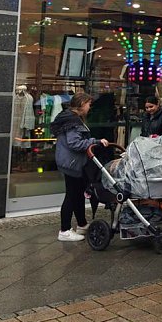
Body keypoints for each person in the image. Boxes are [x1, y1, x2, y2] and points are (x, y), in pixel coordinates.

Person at [50, 94, 109, 242]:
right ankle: (64, 230)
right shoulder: (73, 121)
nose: (90, 107)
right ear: (82, 104)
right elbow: (75, 143)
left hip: (70, 162)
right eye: (89, 104)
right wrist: (95, 141)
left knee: (77, 194)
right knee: (71, 196)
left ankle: (82, 224)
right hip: (72, 163)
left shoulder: (68, 117)